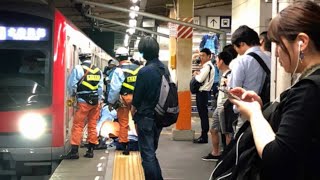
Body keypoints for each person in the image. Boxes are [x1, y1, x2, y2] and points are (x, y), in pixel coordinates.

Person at [228, 1, 320, 179]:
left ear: (302, 42)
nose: (276, 52)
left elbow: (275, 156)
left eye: (278, 43)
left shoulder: (309, 90)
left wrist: (254, 114)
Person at [131, 36, 165, 180]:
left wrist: (134, 112)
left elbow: (137, 99)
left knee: (147, 156)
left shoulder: (145, 71)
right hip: (160, 115)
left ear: (144, 53)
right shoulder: (164, 68)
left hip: (146, 117)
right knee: (151, 152)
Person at [229, 25, 271, 133]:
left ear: (242, 43)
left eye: (235, 46)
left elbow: (234, 91)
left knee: (242, 146)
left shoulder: (242, 61)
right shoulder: (270, 58)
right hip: (267, 111)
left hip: (246, 112)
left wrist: (236, 109)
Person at [63, 53, 103, 159]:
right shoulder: (98, 70)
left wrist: (72, 95)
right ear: (90, 59)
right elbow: (100, 88)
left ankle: (74, 151)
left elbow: (71, 85)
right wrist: (98, 99)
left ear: (80, 59)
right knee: (92, 125)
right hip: (95, 102)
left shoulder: (78, 68)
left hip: (83, 101)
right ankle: (90, 150)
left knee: (78, 125)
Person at [107, 47, 141, 155]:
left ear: (118, 57)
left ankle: (125, 146)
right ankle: (141, 143)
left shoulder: (118, 70)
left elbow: (115, 88)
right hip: (137, 97)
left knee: (123, 122)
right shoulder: (138, 68)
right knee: (139, 120)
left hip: (124, 98)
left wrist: (111, 102)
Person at [202, 51, 233, 161]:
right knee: (214, 129)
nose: (216, 62)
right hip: (219, 107)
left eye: (217, 60)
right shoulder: (224, 74)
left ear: (222, 61)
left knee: (227, 133)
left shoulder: (230, 75)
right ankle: (216, 153)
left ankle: (228, 158)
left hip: (224, 107)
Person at [193, 48, 215, 144]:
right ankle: (203, 135)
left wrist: (195, 74)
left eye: (203, 55)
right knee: (203, 115)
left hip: (203, 93)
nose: (201, 57)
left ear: (209, 56)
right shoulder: (206, 66)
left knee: (203, 115)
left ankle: (204, 136)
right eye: (200, 55)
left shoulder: (207, 66)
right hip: (203, 93)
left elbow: (199, 79)